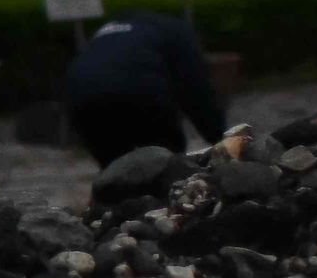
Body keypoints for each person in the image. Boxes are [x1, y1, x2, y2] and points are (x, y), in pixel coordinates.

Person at [61, 11, 226, 165]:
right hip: (141, 91)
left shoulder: (110, 31)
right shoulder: (178, 32)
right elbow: (196, 90)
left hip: (81, 94)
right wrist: (221, 139)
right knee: (167, 166)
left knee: (114, 171)